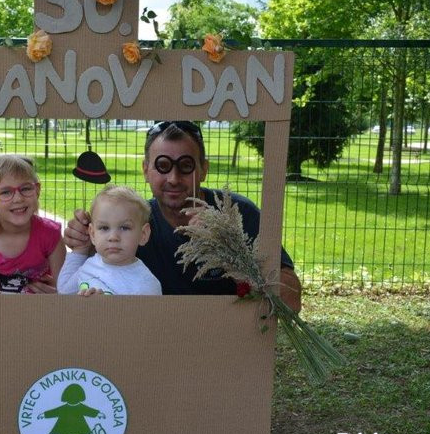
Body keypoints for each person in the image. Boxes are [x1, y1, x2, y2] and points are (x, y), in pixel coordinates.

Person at [64, 120, 302, 311]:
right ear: (146, 170)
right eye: (163, 165)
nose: (174, 178)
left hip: (224, 339)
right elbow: (80, 288)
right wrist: (83, 246)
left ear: (204, 169)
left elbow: (291, 302)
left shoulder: (238, 215)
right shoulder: (131, 224)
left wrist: (228, 249)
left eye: (186, 166)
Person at [0, 154, 65, 293]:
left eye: (25, 189)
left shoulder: (51, 235)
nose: (18, 199)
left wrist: (55, 294)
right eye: (5, 192)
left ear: (37, 191)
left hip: (43, 307)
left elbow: (65, 292)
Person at [58, 185, 161, 295]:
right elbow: (64, 292)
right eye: (104, 228)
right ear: (92, 234)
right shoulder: (90, 265)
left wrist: (104, 305)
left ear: (143, 234)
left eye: (124, 228)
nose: (113, 237)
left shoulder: (146, 285)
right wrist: (80, 251)